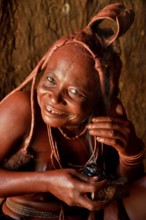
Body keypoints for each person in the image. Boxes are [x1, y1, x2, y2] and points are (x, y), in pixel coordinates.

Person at [0, 3, 146, 220]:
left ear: (99, 98)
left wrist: (130, 154)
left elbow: (123, 187)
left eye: (75, 92)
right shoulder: (22, 110)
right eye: (50, 79)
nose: (54, 97)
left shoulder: (107, 113)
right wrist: (48, 183)